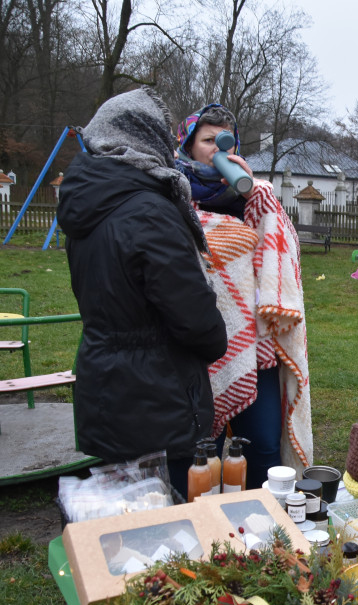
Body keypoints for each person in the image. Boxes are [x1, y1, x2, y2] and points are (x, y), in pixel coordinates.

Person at [57, 88, 227, 494]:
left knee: (126, 525)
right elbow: (193, 317)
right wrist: (215, 337)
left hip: (104, 386)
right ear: (144, 137)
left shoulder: (88, 202)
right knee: (172, 536)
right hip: (157, 399)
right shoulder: (150, 212)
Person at [176, 103, 312, 489]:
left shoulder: (256, 195)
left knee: (265, 445)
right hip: (202, 344)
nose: (217, 149)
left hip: (257, 346)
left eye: (226, 140)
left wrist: (256, 199)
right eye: (207, 140)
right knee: (205, 447)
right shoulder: (174, 195)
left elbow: (280, 260)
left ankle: (265, 524)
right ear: (187, 146)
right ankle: (207, 529)